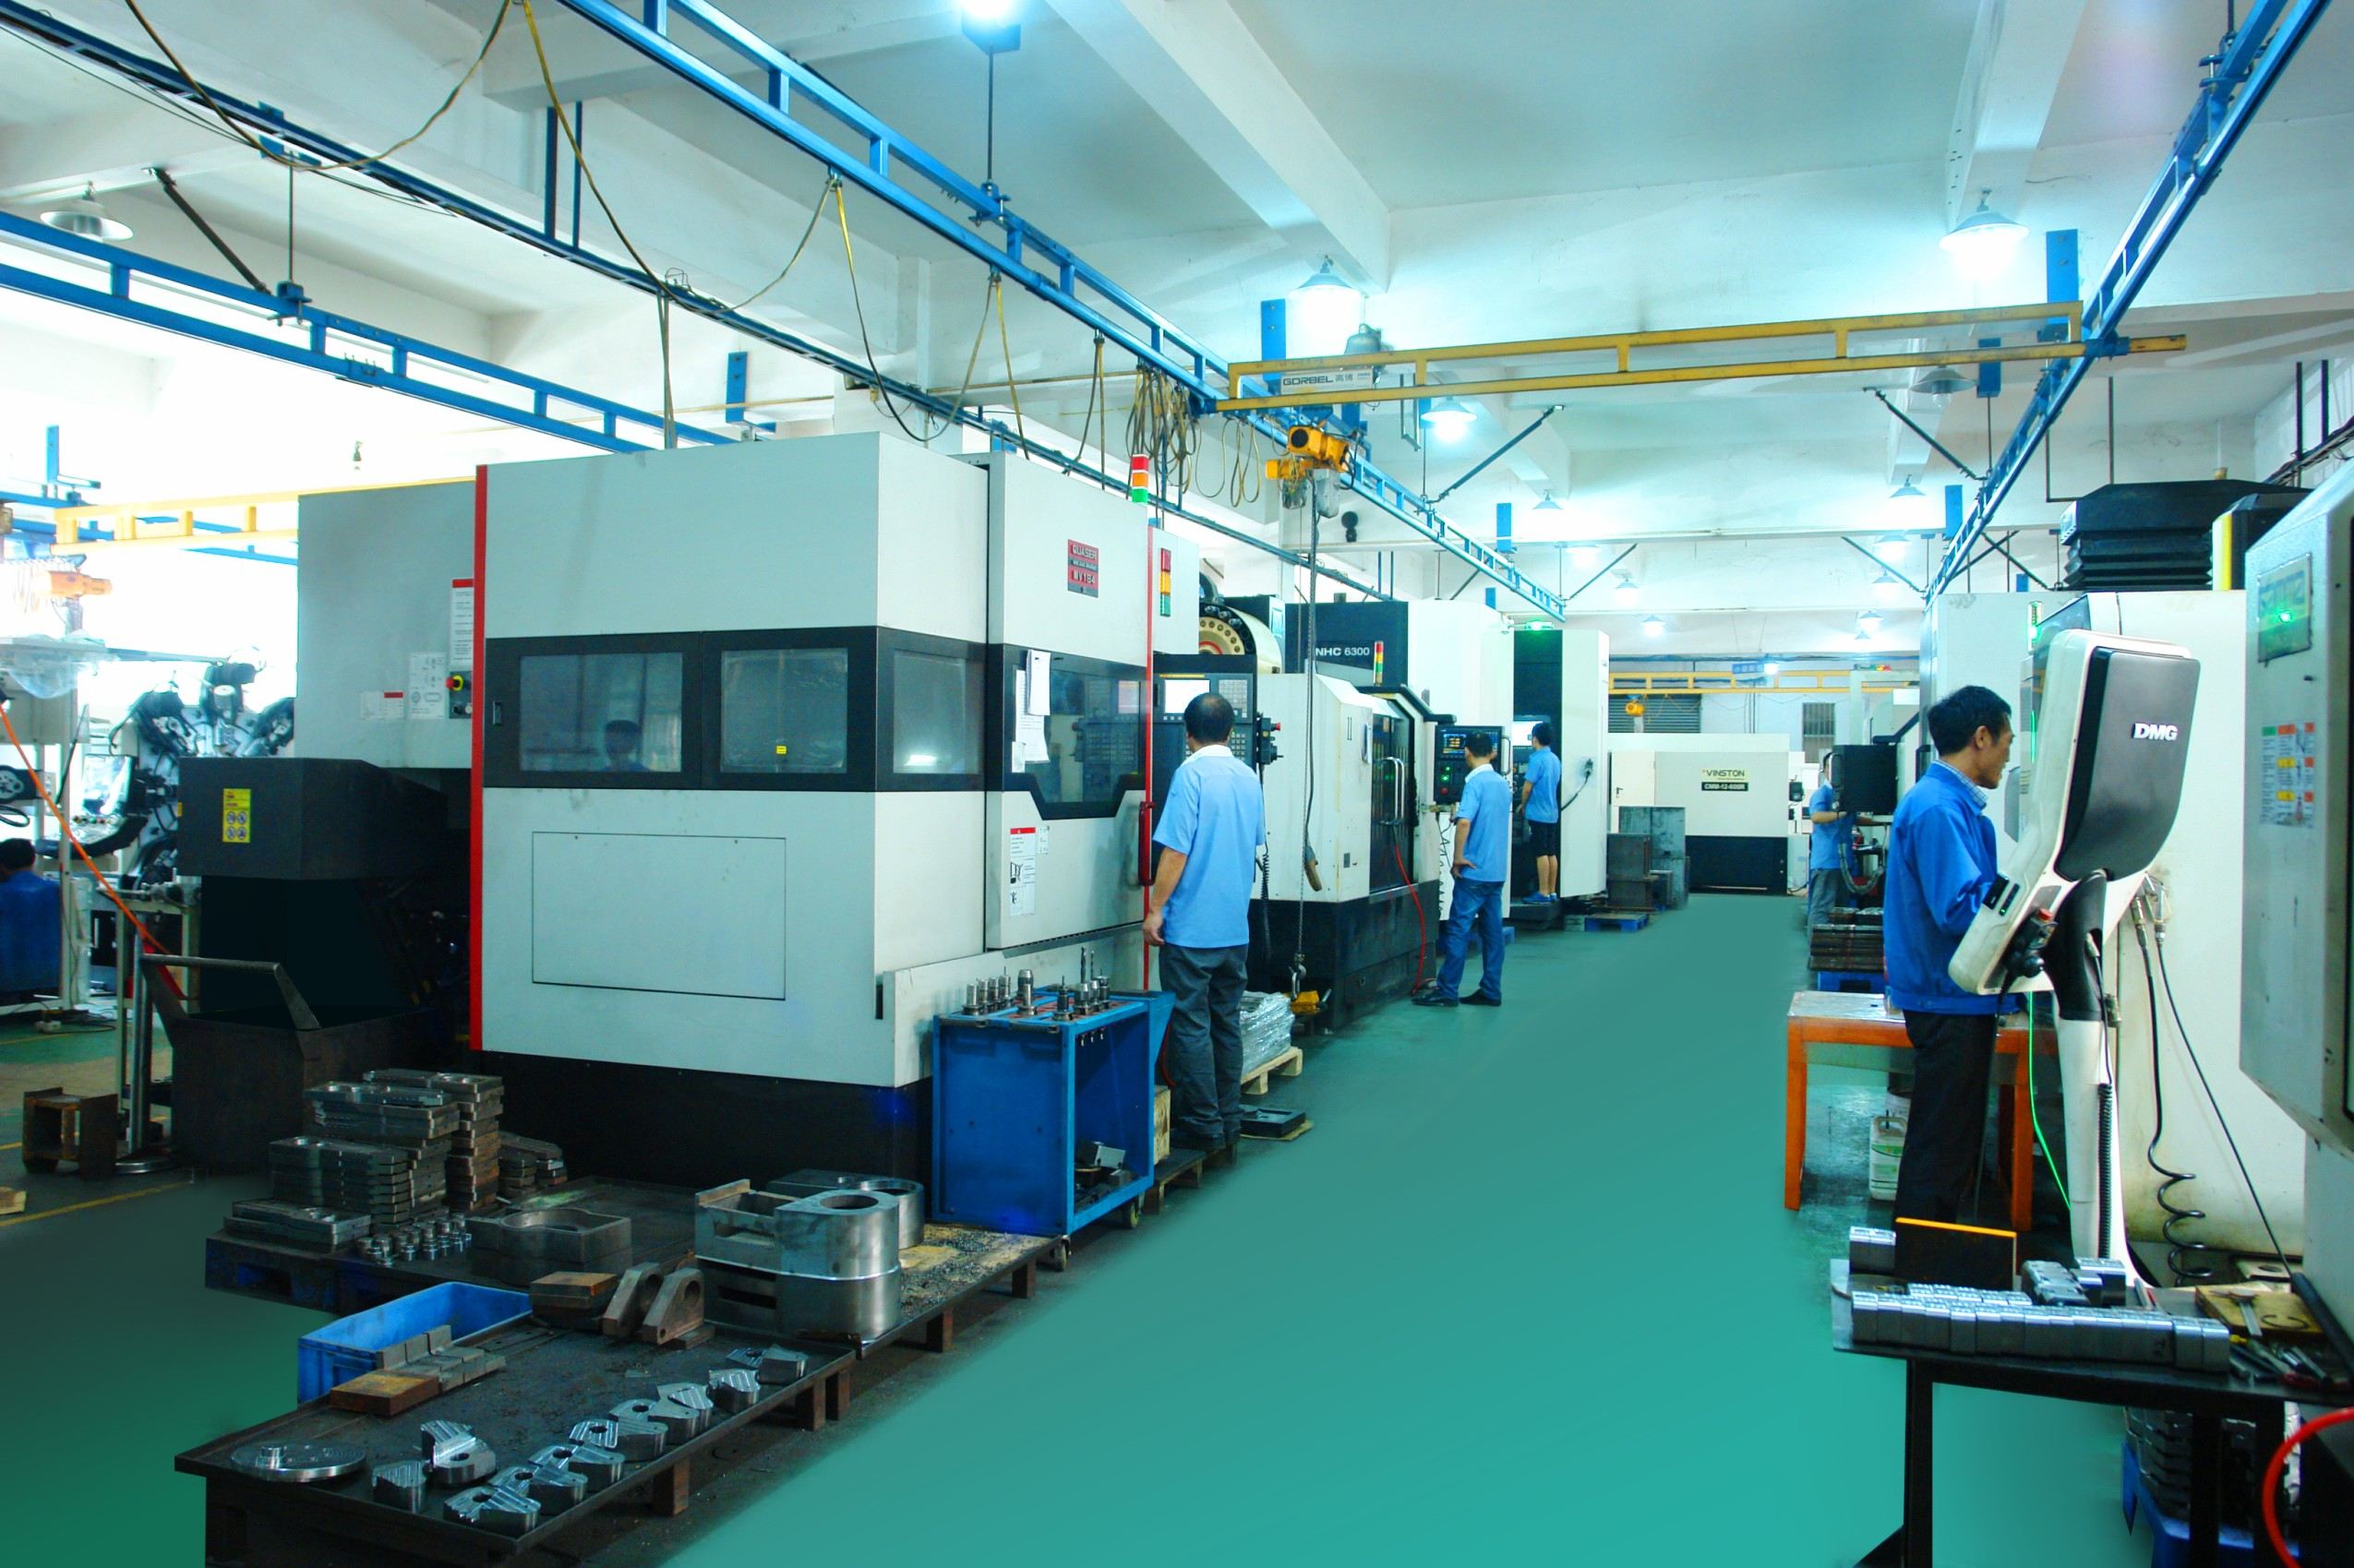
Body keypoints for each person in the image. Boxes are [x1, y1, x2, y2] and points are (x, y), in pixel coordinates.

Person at [1883, 685, 2015, 1223]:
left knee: (1951, 1136)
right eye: (2006, 742)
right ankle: (1925, 1249)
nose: (2008, 755)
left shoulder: (1948, 803)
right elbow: (1959, 908)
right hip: (1947, 994)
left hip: (1952, 992)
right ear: (1981, 737)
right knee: (1942, 1142)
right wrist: (2017, 912)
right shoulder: (1939, 808)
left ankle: (1931, 1241)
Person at [1145, 692, 1267, 1165]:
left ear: (1187, 733)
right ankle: (1229, 1119)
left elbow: (1176, 851)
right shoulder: (1248, 777)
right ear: (1231, 732)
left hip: (1192, 931)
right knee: (1225, 1023)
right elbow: (1250, 843)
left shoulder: (1190, 774)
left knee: (1192, 1026)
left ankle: (1202, 1125)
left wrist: (1156, 908)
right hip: (1234, 929)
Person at [1414, 731, 1509, 1008]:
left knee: (1458, 930)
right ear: (1493, 753)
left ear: (1466, 752)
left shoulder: (1474, 783)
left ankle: (1447, 991)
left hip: (1473, 873)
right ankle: (1491, 990)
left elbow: (1465, 822)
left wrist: (1457, 858)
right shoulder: (1502, 784)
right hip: (1496, 873)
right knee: (1493, 934)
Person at [0, 838, 62, 1000]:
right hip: (51, 977)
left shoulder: (3, 893)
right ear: (33, 859)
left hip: (8, 981)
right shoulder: (56, 890)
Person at [1805, 750, 1856, 932]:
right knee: (1822, 907)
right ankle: (1817, 944)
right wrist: (1840, 814)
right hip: (1827, 861)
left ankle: (1836, 945)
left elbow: (1853, 818)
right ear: (1825, 770)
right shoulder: (1822, 794)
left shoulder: (1844, 795)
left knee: (1842, 909)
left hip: (1844, 862)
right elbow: (1817, 816)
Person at [1519, 721, 1563, 902]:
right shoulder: (1555, 759)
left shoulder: (1536, 759)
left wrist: (1522, 805)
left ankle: (1542, 892)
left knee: (1540, 853)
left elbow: (1527, 788)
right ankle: (1552, 892)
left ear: (1535, 739)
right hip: (1552, 813)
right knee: (1551, 852)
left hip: (1537, 813)